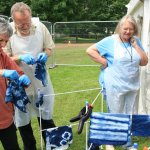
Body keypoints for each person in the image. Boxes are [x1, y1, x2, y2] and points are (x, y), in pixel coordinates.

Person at [86, 15, 148, 150]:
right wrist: (103, 61)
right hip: (115, 84)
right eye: (125, 28)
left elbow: (144, 62)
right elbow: (90, 50)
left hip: (131, 84)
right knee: (115, 113)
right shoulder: (110, 41)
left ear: (134, 30)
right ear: (120, 28)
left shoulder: (135, 40)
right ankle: (110, 142)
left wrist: (137, 46)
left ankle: (127, 142)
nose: (128, 32)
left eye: (131, 29)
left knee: (128, 113)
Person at [4, 2, 56, 150]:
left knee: (45, 115)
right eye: (20, 24)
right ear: (13, 20)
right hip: (20, 81)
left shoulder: (40, 27)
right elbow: (4, 57)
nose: (25, 26)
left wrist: (44, 54)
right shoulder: (8, 32)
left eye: (27, 22)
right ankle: (30, 146)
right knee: (22, 119)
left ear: (30, 16)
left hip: (41, 81)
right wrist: (19, 58)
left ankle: (52, 145)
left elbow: (49, 47)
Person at [0, 16, 30, 150]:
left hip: (5, 116)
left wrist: (23, 79)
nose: (3, 45)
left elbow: (17, 71)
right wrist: (2, 72)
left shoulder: (2, 54)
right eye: (1, 40)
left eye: (6, 41)